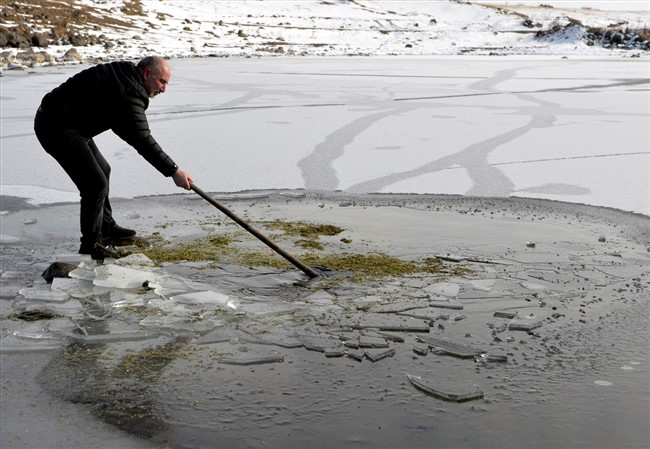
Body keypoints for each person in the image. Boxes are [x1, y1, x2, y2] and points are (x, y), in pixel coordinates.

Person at [34, 56, 193, 260]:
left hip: (71, 124)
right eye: (162, 82)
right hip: (55, 126)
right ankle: (91, 245)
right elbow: (143, 140)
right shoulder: (128, 94)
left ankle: (106, 227)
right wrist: (174, 171)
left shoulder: (127, 76)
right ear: (146, 74)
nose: (163, 89)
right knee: (94, 184)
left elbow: (128, 127)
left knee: (103, 169)